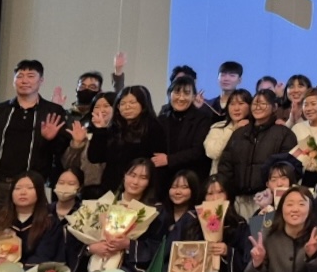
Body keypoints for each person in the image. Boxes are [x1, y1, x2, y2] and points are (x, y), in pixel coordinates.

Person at [0, 59, 69, 225]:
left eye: (30, 76)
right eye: (20, 76)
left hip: (31, 185)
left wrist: (50, 140)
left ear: (41, 80)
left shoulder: (52, 111)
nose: (24, 80)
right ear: (14, 80)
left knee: (29, 232)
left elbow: (61, 152)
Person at [74, 158, 164, 272]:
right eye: (132, 175)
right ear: (124, 175)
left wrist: (128, 244)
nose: (135, 182)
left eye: (143, 178)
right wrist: (91, 248)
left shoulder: (153, 211)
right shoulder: (103, 204)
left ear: (149, 182)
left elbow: (158, 246)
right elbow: (77, 240)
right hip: (94, 266)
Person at [0, 171, 64, 272]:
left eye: (29, 188)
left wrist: (16, 270)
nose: (22, 192)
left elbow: (45, 256)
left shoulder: (49, 223)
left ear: (40, 192)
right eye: (17, 188)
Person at [220, 89, 298, 218]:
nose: (258, 107)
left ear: (274, 107)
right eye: (255, 104)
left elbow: (288, 168)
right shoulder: (240, 133)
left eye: (263, 103)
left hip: (268, 199)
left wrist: (271, 193)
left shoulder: (284, 134)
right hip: (238, 200)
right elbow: (226, 164)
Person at [78, 85, 168, 197]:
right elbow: (95, 158)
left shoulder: (153, 127)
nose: (127, 107)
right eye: (123, 103)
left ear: (143, 104)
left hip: (141, 188)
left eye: (132, 102)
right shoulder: (114, 127)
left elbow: (158, 164)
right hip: (112, 188)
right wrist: (100, 130)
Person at [155, 73, 214, 201]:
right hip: (164, 180)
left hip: (191, 179)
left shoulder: (202, 119)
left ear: (193, 96)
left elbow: (198, 151)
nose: (181, 98)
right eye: (177, 92)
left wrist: (169, 159)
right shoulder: (162, 119)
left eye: (186, 93)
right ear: (169, 94)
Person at [64, 92, 114, 199]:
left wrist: (102, 131)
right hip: (83, 192)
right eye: (97, 107)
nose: (101, 110)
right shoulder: (85, 133)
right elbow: (68, 165)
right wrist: (77, 144)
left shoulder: (120, 135)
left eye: (106, 106)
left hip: (110, 193)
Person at [204, 88, 252, 176]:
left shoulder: (255, 128)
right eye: (232, 104)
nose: (236, 108)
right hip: (219, 179)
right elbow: (212, 153)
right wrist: (233, 130)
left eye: (241, 104)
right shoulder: (218, 128)